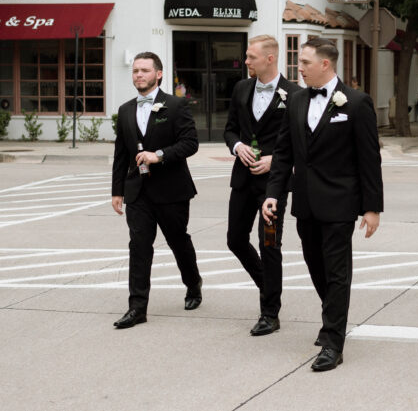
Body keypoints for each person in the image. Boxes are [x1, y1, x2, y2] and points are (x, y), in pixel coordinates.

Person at [262, 38, 383, 372]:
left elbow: (369, 159)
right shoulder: (297, 101)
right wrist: (273, 193)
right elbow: (283, 153)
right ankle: (333, 316)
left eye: (304, 62)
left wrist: (372, 208)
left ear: (325, 64)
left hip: (341, 203)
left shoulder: (357, 103)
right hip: (305, 203)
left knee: (337, 270)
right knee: (316, 265)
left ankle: (333, 342)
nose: (298, 68)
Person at [111, 52, 202, 329]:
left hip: (172, 190)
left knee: (178, 241)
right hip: (137, 192)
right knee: (138, 247)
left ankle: (193, 284)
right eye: (136, 71)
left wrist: (159, 155)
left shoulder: (175, 105)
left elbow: (190, 143)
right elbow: (120, 154)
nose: (139, 75)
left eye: (145, 71)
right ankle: (137, 307)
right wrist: (117, 191)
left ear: (158, 74)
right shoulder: (126, 110)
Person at [224, 35, 301, 336]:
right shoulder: (241, 88)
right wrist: (237, 146)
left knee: (269, 244)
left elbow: (300, 142)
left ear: (270, 58)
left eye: (251, 57)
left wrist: (275, 161)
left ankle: (270, 312)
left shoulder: (293, 94)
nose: (246, 62)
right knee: (234, 239)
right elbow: (230, 129)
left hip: (273, 186)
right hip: (243, 180)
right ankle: (269, 285)